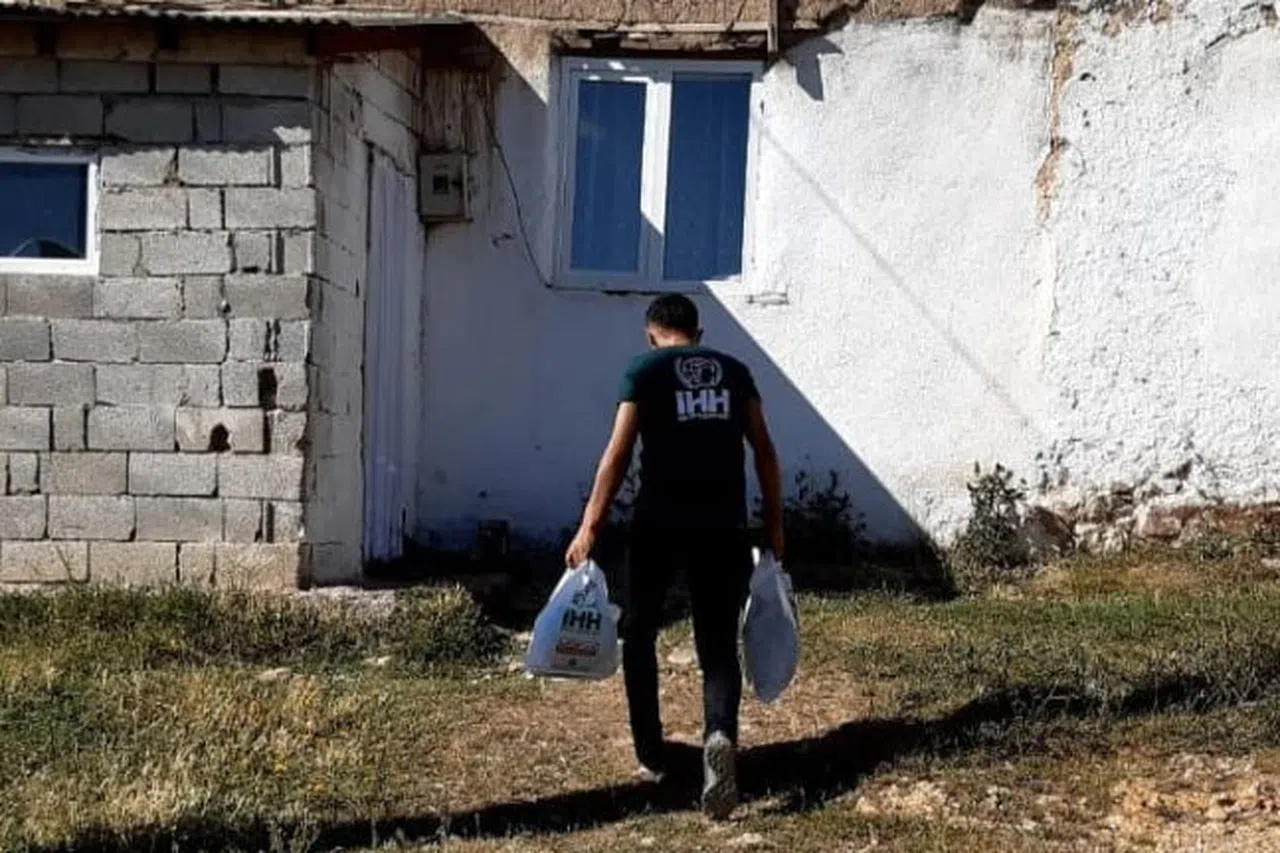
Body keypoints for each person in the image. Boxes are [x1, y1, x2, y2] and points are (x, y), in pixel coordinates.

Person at [565, 294, 784, 820]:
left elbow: (618, 452)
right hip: (722, 525)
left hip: (658, 524)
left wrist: (590, 525)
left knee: (640, 631)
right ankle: (719, 736)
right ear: (698, 334)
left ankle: (650, 750)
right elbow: (764, 449)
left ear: (651, 334)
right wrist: (775, 523)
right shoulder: (735, 372)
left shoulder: (644, 371)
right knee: (717, 643)